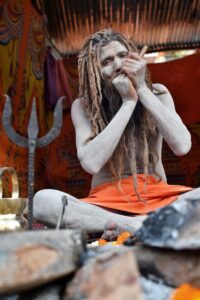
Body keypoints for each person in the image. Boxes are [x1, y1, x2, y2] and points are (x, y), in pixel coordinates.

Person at [33, 29, 199, 234]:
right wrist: (128, 103)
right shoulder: (84, 106)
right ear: (95, 72)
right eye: (107, 61)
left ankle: (146, 222)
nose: (119, 65)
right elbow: (91, 163)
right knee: (43, 202)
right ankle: (135, 225)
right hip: (107, 205)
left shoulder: (158, 93)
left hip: (160, 198)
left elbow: (182, 146)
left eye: (122, 55)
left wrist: (142, 90)